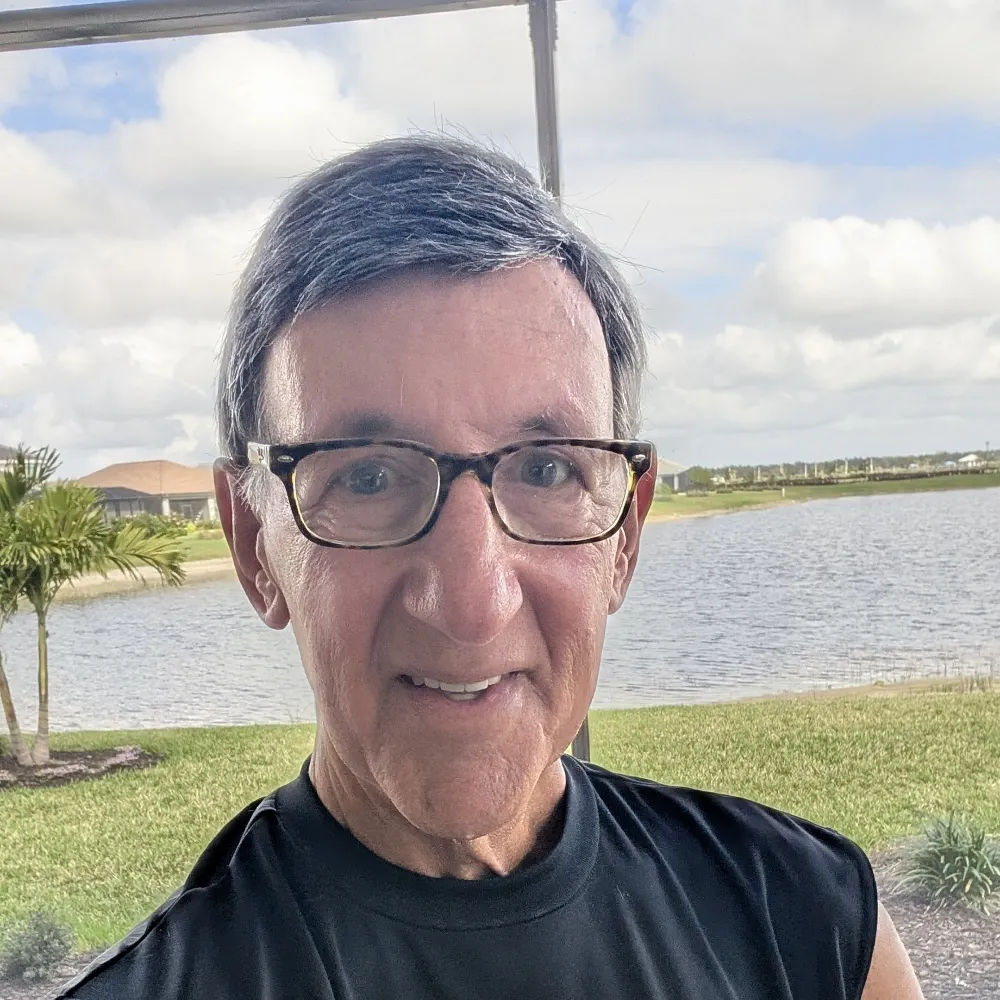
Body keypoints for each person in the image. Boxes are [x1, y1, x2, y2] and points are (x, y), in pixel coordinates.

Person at [58, 135, 923, 1000]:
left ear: (624, 536)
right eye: (368, 477)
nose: (472, 603)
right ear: (254, 542)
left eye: (546, 469)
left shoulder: (812, 924)